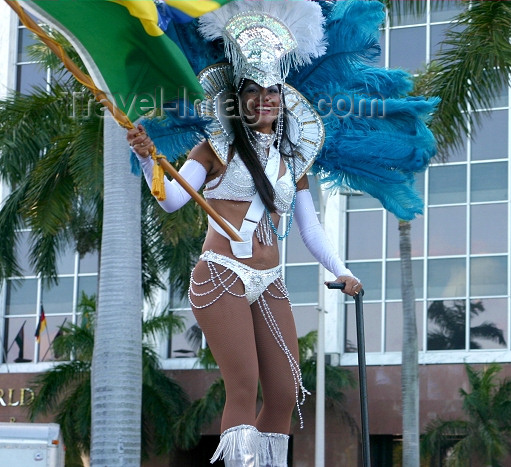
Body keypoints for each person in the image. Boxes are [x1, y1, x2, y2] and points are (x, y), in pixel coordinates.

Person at [127, 3, 360, 466]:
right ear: (238, 97)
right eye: (253, 91)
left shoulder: (291, 160)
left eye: (272, 91)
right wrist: (151, 159)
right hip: (221, 276)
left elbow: (309, 226)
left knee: (284, 390)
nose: (264, 99)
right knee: (243, 385)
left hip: (269, 279)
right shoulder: (214, 147)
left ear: (282, 96)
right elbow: (173, 199)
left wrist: (342, 269)